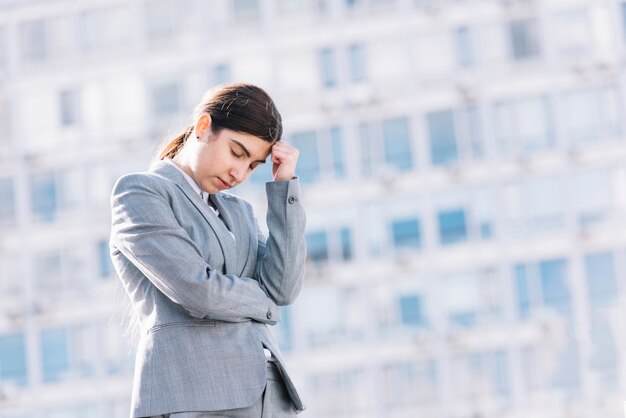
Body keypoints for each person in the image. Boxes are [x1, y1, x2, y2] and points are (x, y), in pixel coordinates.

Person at [109, 83, 307, 418]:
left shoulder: (239, 211)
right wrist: (265, 305)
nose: (239, 173)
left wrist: (284, 186)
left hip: (270, 398)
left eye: (253, 166)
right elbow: (199, 291)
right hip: (198, 399)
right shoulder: (140, 193)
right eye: (237, 153)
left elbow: (283, 288)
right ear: (204, 127)